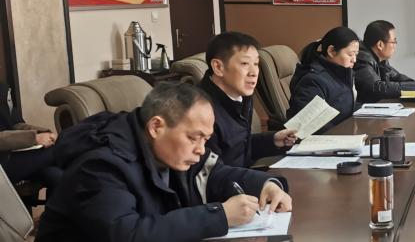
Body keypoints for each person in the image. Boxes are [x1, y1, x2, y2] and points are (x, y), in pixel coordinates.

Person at [37, 82, 293, 242]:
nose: (200, 149)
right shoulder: (102, 165)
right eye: (194, 138)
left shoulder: (170, 147)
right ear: (156, 126)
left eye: (206, 139)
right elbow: (126, 234)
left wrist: (265, 185)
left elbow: (214, 173)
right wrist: (220, 215)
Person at [199, 32, 297, 168]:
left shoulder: (240, 94)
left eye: (256, 64)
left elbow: (236, 147)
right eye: (245, 63)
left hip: (242, 174)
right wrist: (265, 179)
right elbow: (213, 172)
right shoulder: (199, 110)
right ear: (218, 67)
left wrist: (273, 140)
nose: (254, 72)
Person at [289, 26, 361, 131]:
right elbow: (312, 125)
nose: (354, 60)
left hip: (345, 132)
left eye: (356, 54)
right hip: (326, 138)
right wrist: (344, 135)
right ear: (331, 51)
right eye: (350, 54)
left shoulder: (343, 73)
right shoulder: (313, 80)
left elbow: (347, 107)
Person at [0, 82, 61, 190]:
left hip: (12, 155)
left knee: (54, 174)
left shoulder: (3, 89)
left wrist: (43, 133)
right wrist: (33, 138)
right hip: (3, 163)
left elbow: (15, 124)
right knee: (60, 149)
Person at [354, 20, 415, 103]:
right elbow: (377, 88)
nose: (395, 46)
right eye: (393, 42)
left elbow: (395, 76)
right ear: (380, 45)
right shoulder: (362, 58)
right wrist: (414, 87)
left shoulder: (380, 59)